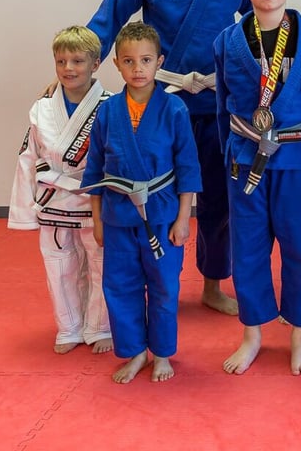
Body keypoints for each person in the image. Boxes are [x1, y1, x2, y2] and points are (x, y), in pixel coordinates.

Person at [87, 0, 249, 317]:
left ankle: (213, 283)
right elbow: (109, 17)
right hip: (160, 98)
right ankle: (153, 285)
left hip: (216, 100)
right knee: (152, 193)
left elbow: (260, 23)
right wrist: (81, 68)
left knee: (218, 197)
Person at [214, 0, 301, 376]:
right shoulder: (226, 41)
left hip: (298, 158)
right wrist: (229, 150)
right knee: (247, 249)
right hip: (245, 158)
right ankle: (252, 333)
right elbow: (222, 103)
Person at [81, 22, 201, 383]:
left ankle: (162, 353)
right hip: (117, 215)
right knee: (120, 286)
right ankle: (135, 352)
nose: (138, 69)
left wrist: (184, 219)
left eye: (146, 60)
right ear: (116, 63)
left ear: (159, 62)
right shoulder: (107, 111)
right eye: (129, 61)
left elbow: (188, 168)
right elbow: (95, 170)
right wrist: (97, 221)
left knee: (164, 286)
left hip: (162, 214)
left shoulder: (174, 109)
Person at [9, 25, 113, 355]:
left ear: (95, 64)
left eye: (77, 61)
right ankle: (68, 327)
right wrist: (24, 211)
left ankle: (99, 326)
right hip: (53, 199)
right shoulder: (42, 108)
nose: (68, 68)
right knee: (59, 266)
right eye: (61, 61)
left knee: (101, 265)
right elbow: (27, 158)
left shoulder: (110, 106)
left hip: (94, 200)